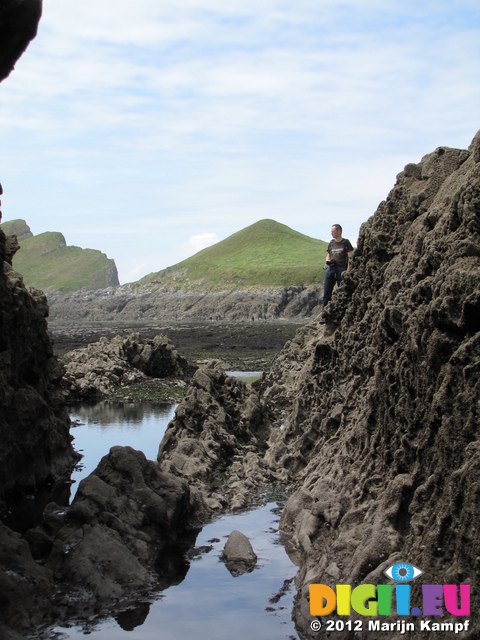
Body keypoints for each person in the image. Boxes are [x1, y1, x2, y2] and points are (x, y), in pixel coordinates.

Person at [322, 223, 353, 309]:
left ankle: (342, 310)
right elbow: (328, 254)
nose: (331, 233)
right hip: (331, 268)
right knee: (327, 291)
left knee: (342, 291)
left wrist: (348, 270)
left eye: (333, 231)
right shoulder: (331, 243)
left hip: (341, 268)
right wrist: (328, 261)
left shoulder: (345, 243)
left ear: (339, 231)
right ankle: (325, 313)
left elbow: (350, 257)